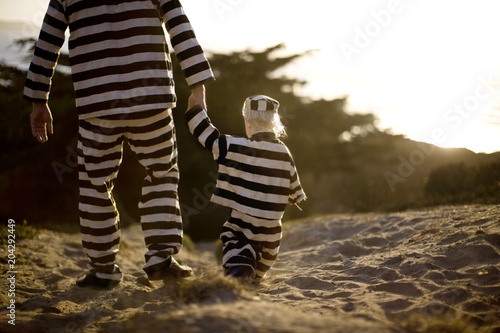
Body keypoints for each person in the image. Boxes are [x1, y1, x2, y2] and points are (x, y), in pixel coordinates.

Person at [24, 0, 215, 289]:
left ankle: (102, 270)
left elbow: (48, 41)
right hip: (150, 97)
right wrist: (197, 86)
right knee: (162, 174)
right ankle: (161, 260)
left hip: (97, 104)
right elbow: (179, 26)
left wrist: (40, 100)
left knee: (95, 184)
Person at [186, 95, 306, 283]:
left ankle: (241, 266)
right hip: (271, 236)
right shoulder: (284, 153)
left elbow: (208, 137)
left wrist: (196, 111)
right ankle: (252, 272)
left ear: (248, 121)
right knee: (258, 273)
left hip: (244, 226)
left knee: (234, 240)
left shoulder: (238, 147)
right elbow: (295, 191)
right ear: (274, 123)